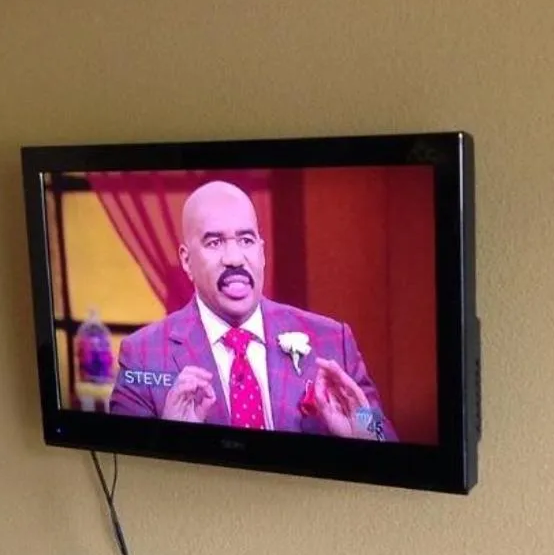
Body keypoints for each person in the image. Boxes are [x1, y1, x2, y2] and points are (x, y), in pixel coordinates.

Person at [107, 180, 395, 438]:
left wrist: (367, 432)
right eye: (214, 242)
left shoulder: (332, 342)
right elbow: (126, 468)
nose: (234, 259)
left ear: (261, 250)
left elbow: (386, 437)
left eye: (246, 240)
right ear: (186, 260)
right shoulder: (143, 356)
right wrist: (170, 436)